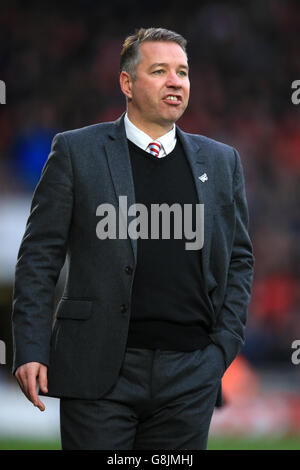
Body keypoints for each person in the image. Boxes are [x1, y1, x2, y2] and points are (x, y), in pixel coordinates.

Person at [12, 27, 254, 450]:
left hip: (190, 373)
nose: (175, 81)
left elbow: (239, 259)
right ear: (127, 83)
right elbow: (39, 257)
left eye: (182, 71)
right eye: (159, 70)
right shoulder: (75, 151)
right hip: (96, 367)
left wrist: (222, 348)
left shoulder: (221, 161)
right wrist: (31, 346)